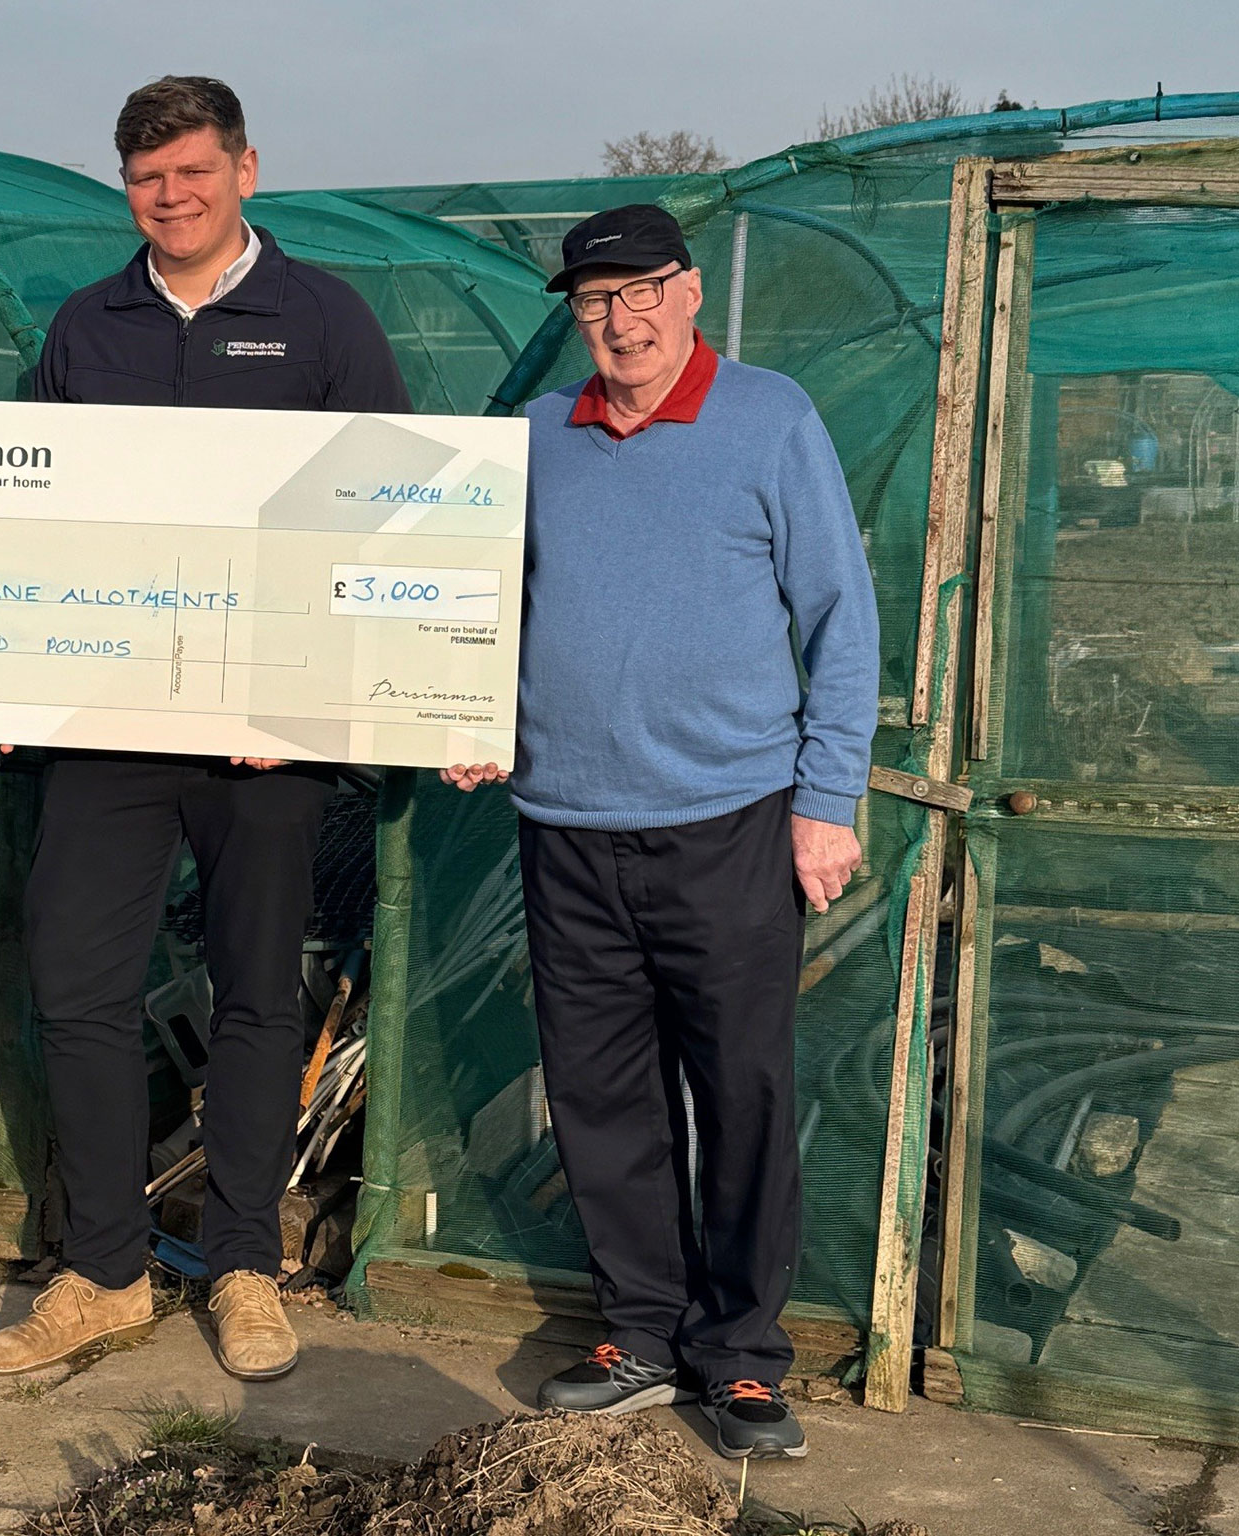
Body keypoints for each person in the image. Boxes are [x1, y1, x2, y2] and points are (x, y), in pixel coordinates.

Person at [0, 77, 410, 1382]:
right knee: (80, 983)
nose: (173, 197)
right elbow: (32, 523)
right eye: (149, 179)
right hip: (108, 721)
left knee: (260, 996)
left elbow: (384, 514)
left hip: (265, 732)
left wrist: (310, 691)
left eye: (195, 173)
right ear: (129, 189)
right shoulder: (86, 326)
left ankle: (243, 1271)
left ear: (246, 171)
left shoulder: (323, 318)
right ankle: (101, 1272)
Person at [444, 204, 877, 1459]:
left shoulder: (768, 418)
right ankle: (637, 1330)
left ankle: (738, 1359)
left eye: (640, 295)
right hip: (566, 824)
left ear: (689, 294)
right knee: (595, 1092)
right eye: (592, 303)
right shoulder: (534, 440)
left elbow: (838, 620)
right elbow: (475, 613)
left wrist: (823, 801)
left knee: (739, 1092)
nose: (618, 323)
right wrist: (460, 709)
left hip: (728, 822)